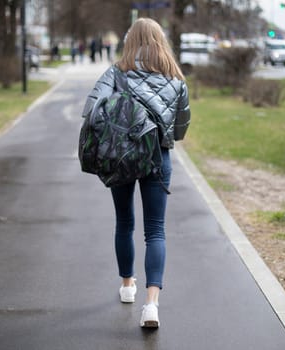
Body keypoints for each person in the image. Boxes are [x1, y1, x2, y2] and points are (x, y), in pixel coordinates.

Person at [81, 18, 190, 328]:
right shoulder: (175, 78)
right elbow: (180, 128)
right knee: (155, 230)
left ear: (130, 41)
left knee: (124, 222)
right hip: (159, 158)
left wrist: (122, 115)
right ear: (160, 41)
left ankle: (128, 284)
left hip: (123, 155)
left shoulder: (117, 72)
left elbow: (91, 110)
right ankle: (151, 305)